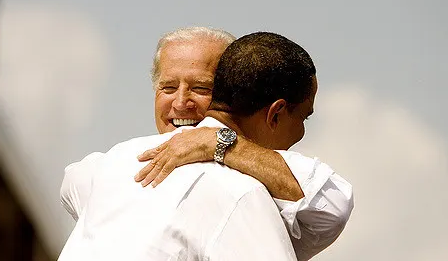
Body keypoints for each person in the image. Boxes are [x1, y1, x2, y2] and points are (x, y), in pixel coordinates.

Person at [61, 28, 354, 260]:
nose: (180, 103)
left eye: (200, 88)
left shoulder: (114, 163)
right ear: (275, 113)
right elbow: (331, 207)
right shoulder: (240, 193)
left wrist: (222, 143)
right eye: (168, 87)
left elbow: (328, 203)